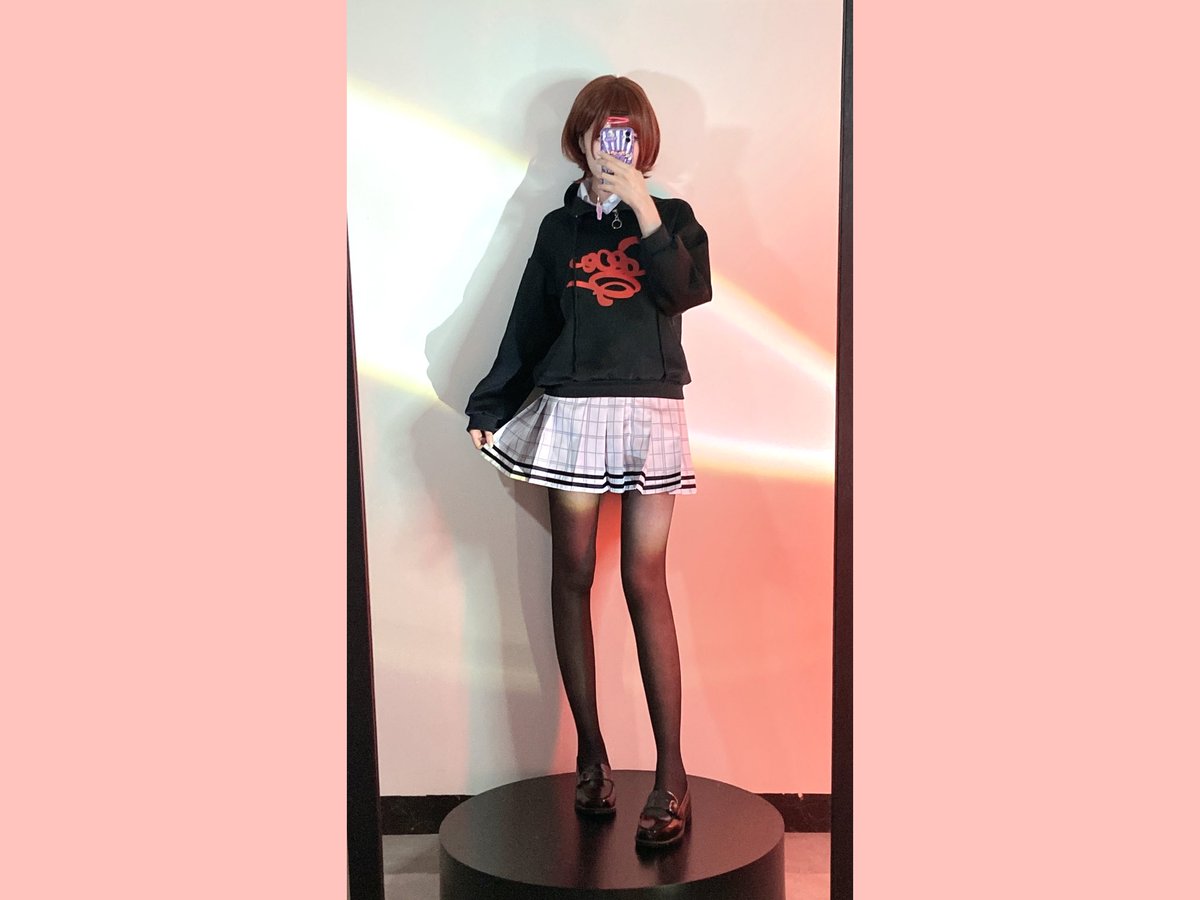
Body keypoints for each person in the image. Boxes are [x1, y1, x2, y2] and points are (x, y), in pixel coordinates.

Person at [465, 75, 711, 849]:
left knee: (644, 579)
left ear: (644, 141)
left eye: (628, 132)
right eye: (604, 132)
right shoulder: (556, 228)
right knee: (571, 573)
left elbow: (684, 292)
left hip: (648, 411)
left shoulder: (673, 217)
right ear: (581, 138)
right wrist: (491, 405)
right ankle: (592, 755)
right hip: (573, 410)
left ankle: (671, 775)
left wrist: (643, 207)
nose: (615, 144)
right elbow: (531, 321)